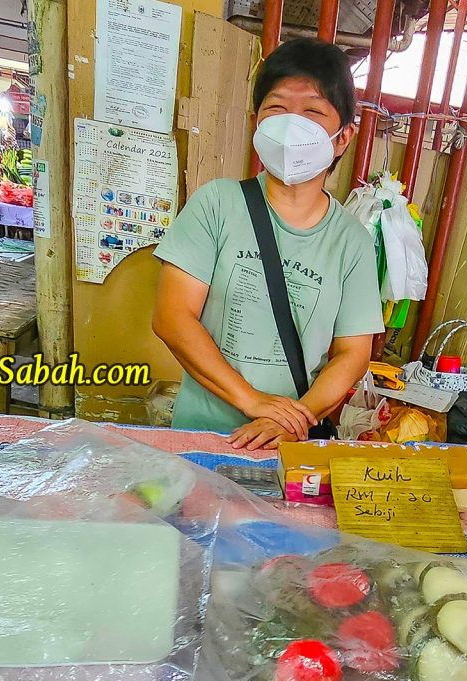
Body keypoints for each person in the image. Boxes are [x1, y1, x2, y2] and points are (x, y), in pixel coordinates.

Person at [152, 37, 384, 449]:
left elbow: (352, 354)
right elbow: (172, 317)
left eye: (313, 111)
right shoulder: (217, 204)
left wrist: (296, 419)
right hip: (202, 436)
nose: (292, 124)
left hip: (289, 446)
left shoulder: (353, 242)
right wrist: (252, 400)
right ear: (256, 120)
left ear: (343, 138)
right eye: (276, 108)